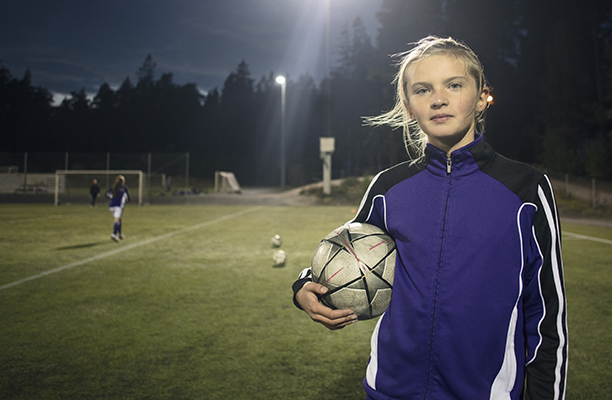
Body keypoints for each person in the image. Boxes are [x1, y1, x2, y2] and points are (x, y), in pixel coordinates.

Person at [292, 36, 567, 399]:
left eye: (454, 85)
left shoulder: (526, 190)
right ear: (408, 106)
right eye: (422, 90)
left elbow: (548, 317)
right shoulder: (387, 188)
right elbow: (347, 251)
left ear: (483, 96)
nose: (438, 99)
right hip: (389, 390)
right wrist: (303, 288)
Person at [107, 175, 130, 242]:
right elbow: (128, 198)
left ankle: (120, 234)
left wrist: (111, 197)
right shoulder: (124, 188)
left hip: (111, 206)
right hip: (118, 206)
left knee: (119, 219)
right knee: (117, 220)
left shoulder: (114, 187)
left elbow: (107, 194)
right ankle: (114, 234)